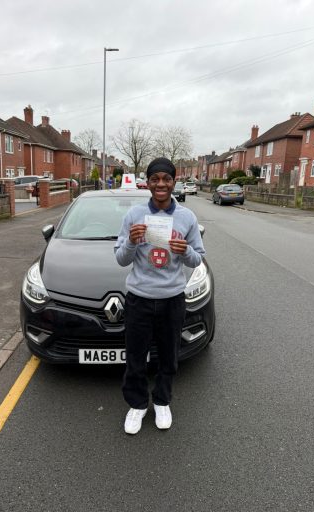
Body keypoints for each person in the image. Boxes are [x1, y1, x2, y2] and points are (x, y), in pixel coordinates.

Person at [114, 157, 205, 434]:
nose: (161, 184)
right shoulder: (134, 216)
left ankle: (163, 401)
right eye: (155, 179)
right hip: (139, 298)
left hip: (172, 299)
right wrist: (131, 241)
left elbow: (197, 260)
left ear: (174, 182)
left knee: (168, 355)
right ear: (149, 183)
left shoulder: (187, 217)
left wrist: (184, 251)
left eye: (166, 179)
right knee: (135, 356)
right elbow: (120, 259)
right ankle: (138, 404)